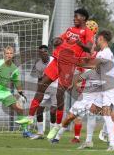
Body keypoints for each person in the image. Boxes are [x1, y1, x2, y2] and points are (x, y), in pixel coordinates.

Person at [15, 8, 94, 140]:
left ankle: (57, 125)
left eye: (77, 16)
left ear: (84, 18)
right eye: (74, 16)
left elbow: (89, 48)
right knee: (41, 86)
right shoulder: (69, 30)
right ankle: (29, 118)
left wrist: (82, 44)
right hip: (56, 61)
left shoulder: (87, 31)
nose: (74, 18)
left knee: (59, 94)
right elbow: (58, 40)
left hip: (68, 66)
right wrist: (56, 41)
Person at [77, 30, 114, 151]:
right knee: (92, 111)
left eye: (97, 38)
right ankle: (89, 141)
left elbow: (92, 66)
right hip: (104, 87)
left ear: (101, 38)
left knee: (106, 115)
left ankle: (112, 144)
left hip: (109, 88)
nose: (96, 40)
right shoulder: (103, 52)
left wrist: (75, 62)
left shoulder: (104, 53)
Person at [30, 45, 57, 140]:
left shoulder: (54, 60)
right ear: (39, 54)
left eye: (45, 52)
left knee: (53, 111)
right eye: (41, 52)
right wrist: (39, 91)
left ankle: (52, 132)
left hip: (56, 88)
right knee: (39, 110)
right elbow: (39, 79)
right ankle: (40, 133)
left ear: (48, 52)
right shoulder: (38, 64)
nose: (43, 54)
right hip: (45, 90)